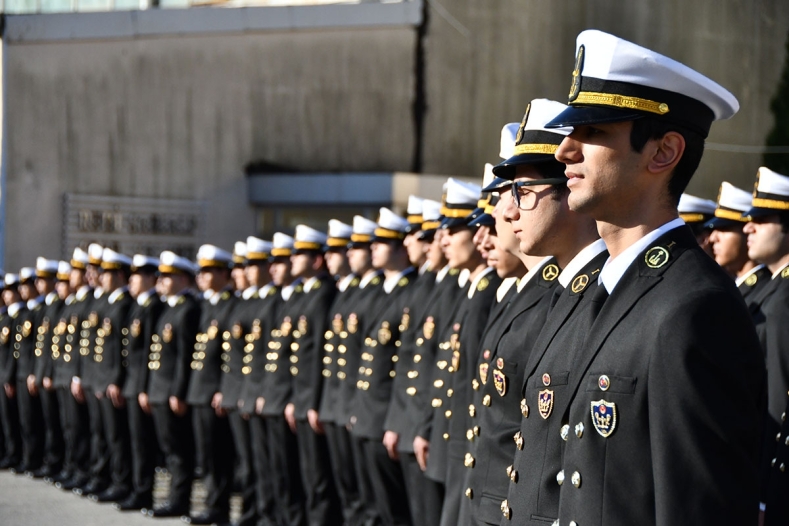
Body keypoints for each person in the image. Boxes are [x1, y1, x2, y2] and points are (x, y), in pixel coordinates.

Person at [542, 29, 763, 524]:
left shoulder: (692, 308)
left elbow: (699, 508)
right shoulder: (600, 291)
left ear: (663, 152)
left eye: (593, 133)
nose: (563, 151)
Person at [351, 208, 418, 526]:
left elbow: (405, 363)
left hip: (385, 412)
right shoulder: (378, 291)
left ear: (399, 247)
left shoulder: (411, 291)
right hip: (367, 410)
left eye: (381, 243)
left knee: (392, 508)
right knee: (370, 500)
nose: (372, 248)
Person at [740, 167, 789, 522]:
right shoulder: (773, 289)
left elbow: (780, 400)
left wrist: (766, 490)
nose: (748, 227)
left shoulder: (784, 298)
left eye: (763, 218)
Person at [143, 251, 200, 518]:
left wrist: (177, 391)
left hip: (170, 391)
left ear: (183, 279)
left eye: (167, 277)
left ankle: (180, 499)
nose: (161, 281)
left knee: (178, 450)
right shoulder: (171, 307)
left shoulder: (187, 309)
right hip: (159, 388)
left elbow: (183, 355)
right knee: (169, 449)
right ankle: (174, 497)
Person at [185, 244, 238, 525]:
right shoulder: (207, 304)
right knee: (205, 452)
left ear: (222, 273)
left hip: (215, 390)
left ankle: (220, 506)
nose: (202, 276)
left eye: (208, 271)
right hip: (199, 389)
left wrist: (222, 387)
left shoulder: (231, 304)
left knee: (219, 453)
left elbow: (231, 354)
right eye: (201, 271)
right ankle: (211, 501)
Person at [115, 254, 164, 512]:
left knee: (143, 443)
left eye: (135, 276)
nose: (131, 281)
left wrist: (144, 387)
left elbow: (147, 352)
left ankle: (143, 492)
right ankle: (136, 488)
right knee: (135, 441)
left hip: (141, 384)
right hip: (132, 384)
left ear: (148, 278)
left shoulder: (154, 306)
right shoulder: (139, 305)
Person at [705, 181, 770, 300]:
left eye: (724, 228)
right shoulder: (732, 288)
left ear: (747, 231)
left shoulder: (768, 290)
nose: (713, 238)